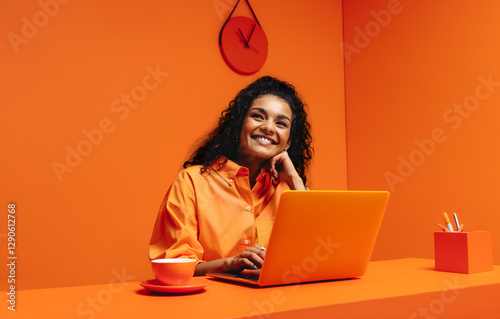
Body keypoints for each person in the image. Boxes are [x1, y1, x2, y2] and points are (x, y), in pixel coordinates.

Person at [149, 76, 313, 276]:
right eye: (258, 116)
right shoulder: (191, 182)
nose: (269, 127)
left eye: (281, 123)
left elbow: (315, 257)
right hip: (207, 304)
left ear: (287, 143)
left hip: (278, 303)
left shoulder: (290, 193)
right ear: (239, 126)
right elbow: (175, 267)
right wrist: (230, 264)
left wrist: (296, 180)